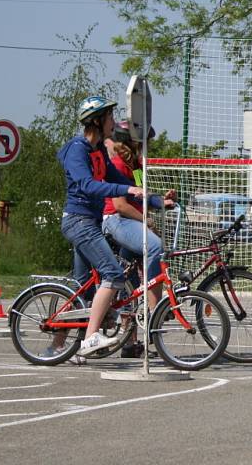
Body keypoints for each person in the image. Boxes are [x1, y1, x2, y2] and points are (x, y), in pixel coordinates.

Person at [57, 96, 145, 356]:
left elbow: (118, 180)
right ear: (97, 121)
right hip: (78, 221)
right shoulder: (77, 150)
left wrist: (155, 199)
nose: (112, 122)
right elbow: (88, 185)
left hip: (90, 223)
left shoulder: (98, 153)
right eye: (109, 117)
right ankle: (91, 338)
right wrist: (127, 187)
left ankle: (59, 344)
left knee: (82, 286)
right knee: (114, 274)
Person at [102, 120, 175, 358]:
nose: (147, 146)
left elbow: (140, 196)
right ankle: (156, 309)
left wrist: (160, 201)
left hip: (129, 221)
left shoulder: (135, 165)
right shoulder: (117, 163)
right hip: (116, 220)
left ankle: (130, 343)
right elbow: (120, 205)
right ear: (132, 141)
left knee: (129, 281)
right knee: (155, 246)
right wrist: (146, 220)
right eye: (144, 141)